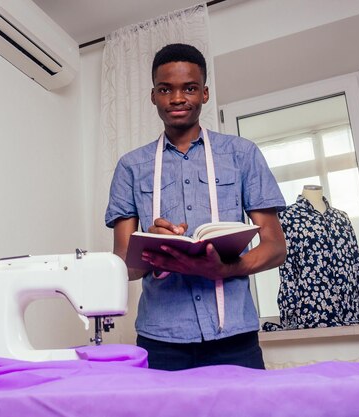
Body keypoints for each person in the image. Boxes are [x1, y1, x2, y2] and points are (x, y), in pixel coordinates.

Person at [105, 43, 287, 371]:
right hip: (161, 340)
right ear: (153, 96)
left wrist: (227, 269)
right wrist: (150, 248)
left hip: (234, 336)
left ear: (204, 93)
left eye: (188, 88)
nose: (177, 98)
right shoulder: (131, 166)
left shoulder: (242, 154)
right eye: (166, 89)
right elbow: (122, 265)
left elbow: (275, 247)